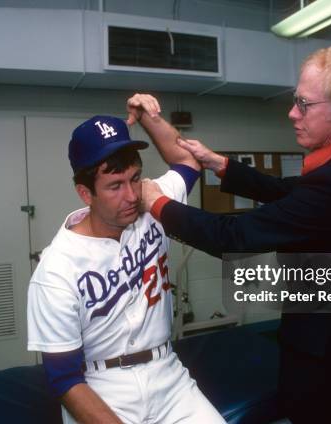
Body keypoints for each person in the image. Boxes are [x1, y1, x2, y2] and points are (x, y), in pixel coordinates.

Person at [141, 42, 331, 423]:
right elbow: (290, 192)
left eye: (305, 105)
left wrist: (156, 202)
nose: (292, 113)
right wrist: (222, 165)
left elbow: (231, 236)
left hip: (329, 357)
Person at [26, 94, 226, 424]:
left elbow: (189, 161)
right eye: (115, 185)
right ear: (85, 192)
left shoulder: (151, 208)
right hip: (101, 387)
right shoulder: (56, 269)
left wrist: (149, 118)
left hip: (169, 377)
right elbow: (64, 379)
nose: (132, 195)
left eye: (135, 178)